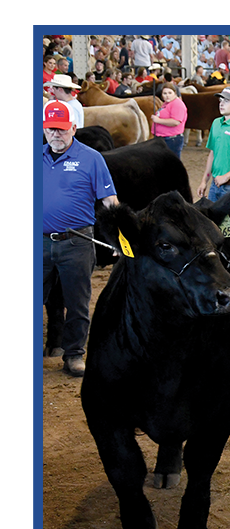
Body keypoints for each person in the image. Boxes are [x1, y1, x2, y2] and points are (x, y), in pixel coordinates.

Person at [42, 100, 119, 377]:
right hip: (38, 243)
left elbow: (110, 201)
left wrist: (119, 239)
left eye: (61, 130)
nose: (56, 135)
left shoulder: (91, 158)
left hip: (76, 242)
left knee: (76, 301)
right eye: (50, 129)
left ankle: (74, 354)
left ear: (73, 128)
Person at [150, 82, 188, 158]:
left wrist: (158, 120)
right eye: (165, 93)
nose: (167, 95)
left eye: (170, 93)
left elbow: (176, 121)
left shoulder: (177, 104)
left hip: (171, 139)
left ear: (175, 93)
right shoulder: (167, 103)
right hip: (164, 138)